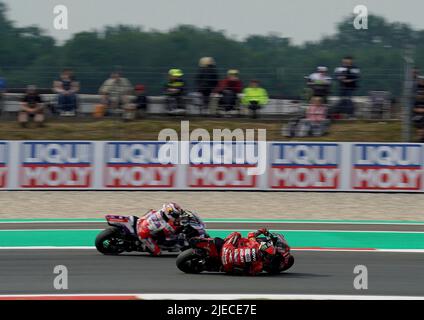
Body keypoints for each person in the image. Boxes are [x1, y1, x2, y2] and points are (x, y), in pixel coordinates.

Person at [413, 76, 424, 142]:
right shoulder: (417, 100)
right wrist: (420, 110)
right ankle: (420, 139)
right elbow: (414, 109)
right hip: (418, 117)